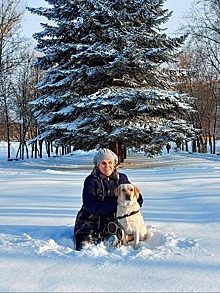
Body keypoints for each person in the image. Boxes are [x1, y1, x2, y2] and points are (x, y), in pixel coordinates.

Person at [74, 148, 143, 251]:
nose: (107, 166)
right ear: (97, 165)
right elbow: (90, 205)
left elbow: (137, 198)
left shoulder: (122, 178)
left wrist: (133, 203)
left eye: (110, 162)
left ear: (114, 164)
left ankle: (113, 236)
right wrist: (117, 204)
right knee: (85, 248)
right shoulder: (91, 180)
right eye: (103, 163)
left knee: (117, 240)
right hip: (90, 220)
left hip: (114, 220)